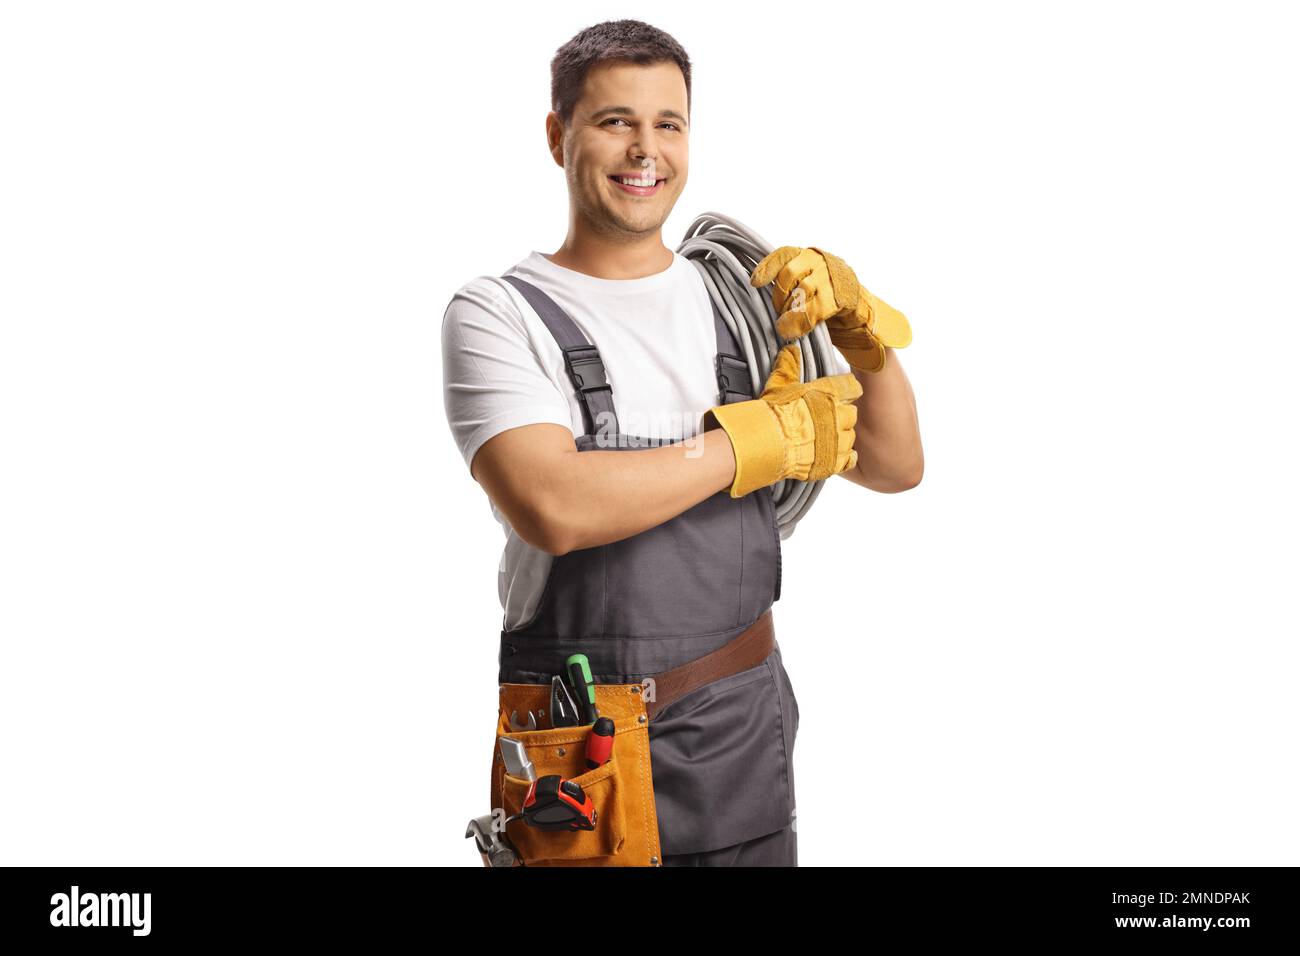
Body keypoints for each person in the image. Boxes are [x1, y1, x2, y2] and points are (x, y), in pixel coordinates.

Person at [442, 19, 923, 867]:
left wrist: (859, 336)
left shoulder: (741, 296)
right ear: (559, 137)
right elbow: (554, 504)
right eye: (615, 121)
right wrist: (753, 441)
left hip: (740, 734)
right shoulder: (498, 313)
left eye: (669, 123)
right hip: (581, 751)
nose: (645, 150)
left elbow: (894, 465)